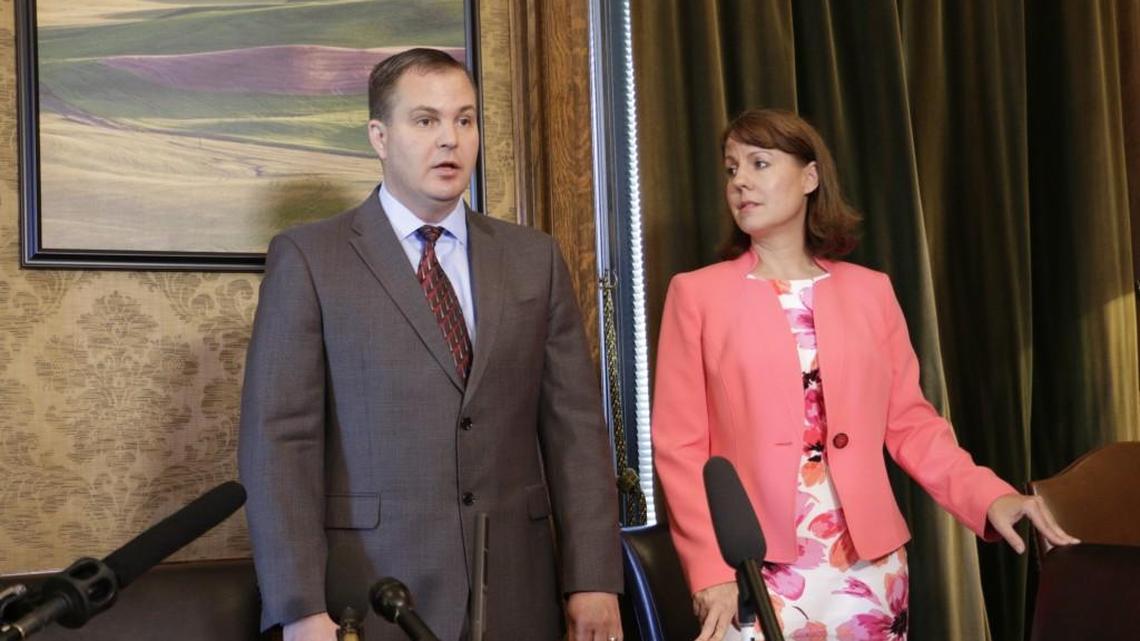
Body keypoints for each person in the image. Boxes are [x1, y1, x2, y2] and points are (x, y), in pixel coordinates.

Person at [239, 48, 623, 641]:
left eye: (464, 120)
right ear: (380, 136)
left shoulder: (532, 259)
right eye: (426, 121)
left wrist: (593, 579)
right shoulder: (311, 258)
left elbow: (575, 429)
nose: (450, 139)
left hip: (519, 597)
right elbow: (278, 445)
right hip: (370, 599)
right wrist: (297, 606)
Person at [650, 108, 1077, 641]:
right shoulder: (697, 295)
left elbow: (912, 425)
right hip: (752, 570)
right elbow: (680, 448)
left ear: (810, 178)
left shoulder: (871, 291)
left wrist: (990, 496)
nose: (739, 181)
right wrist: (708, 570)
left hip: (868, 565)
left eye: (759, 164)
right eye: (731, 168)